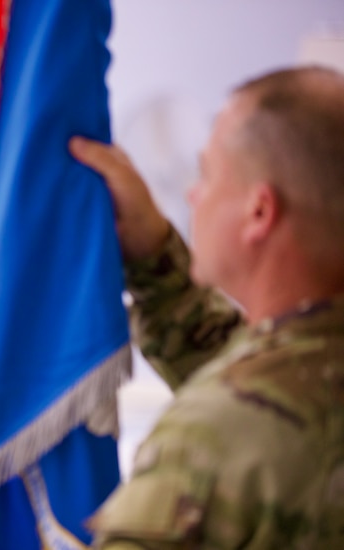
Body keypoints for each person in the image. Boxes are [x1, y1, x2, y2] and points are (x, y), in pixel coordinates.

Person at [70, 65, 344, 548]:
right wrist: (155, 258)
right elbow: (255, 363)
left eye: (208, 174)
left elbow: (262, 403)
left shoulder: (213, 440)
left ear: (259, 212)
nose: (193, 194)